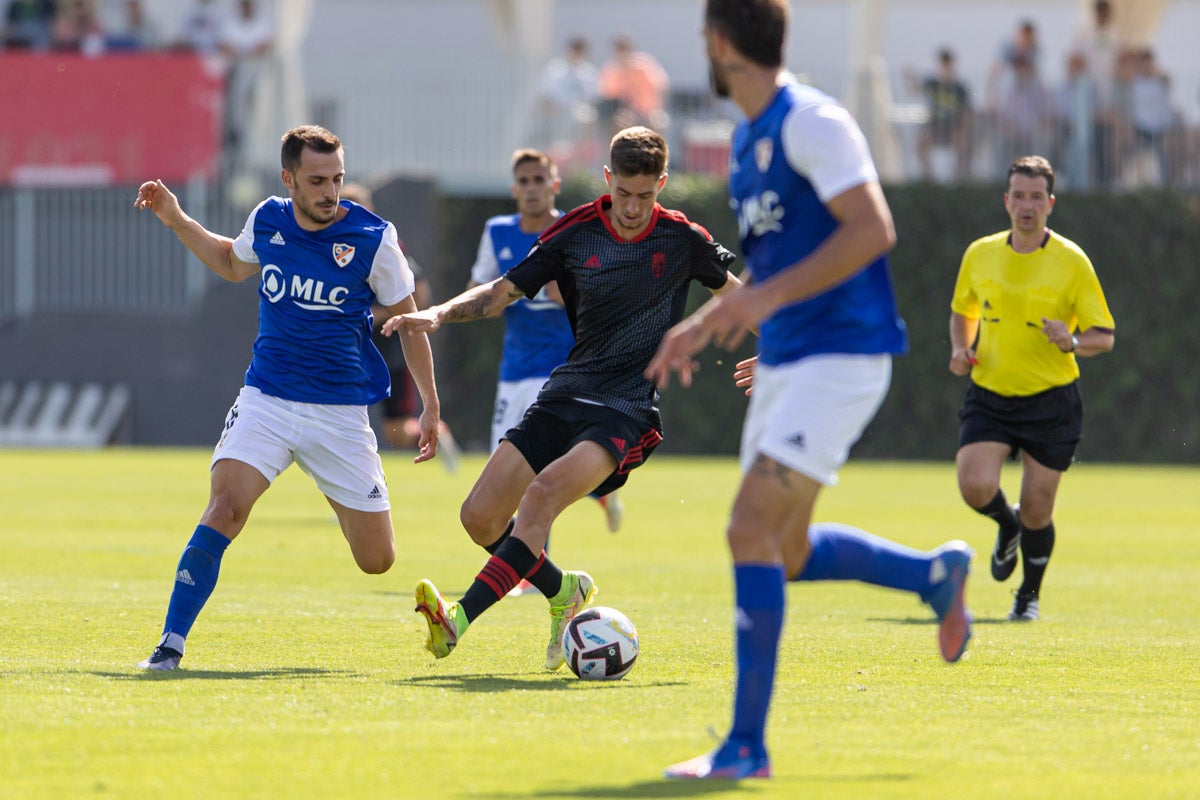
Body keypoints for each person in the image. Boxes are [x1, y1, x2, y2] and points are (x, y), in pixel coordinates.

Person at [648, 0, 974, 781]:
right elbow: (777, 260)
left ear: (722, 44)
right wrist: (712, 319)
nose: (704, 50)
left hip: (841, 355)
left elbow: (871, 228)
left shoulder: (811, 120)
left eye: (703, 39)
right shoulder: (747, 139)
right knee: (783, 550)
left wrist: (756, 304)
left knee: (745, 528)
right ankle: (932, 576)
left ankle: (747, 748)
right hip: (791, 360)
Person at [385, 126, 740, 672]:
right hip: (566, 391)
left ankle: (455, 621)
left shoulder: (681, 238)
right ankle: (563, 590)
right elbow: (501, 292)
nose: (632, 207)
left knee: (542, 496)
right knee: (479, 517)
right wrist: (436, 314)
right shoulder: (577, 231)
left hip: (624, 408)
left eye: (645, 195)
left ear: (662, 184)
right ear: (607, 180)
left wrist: (784, 353)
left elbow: (742, 300)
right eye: (624, 193)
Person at [132, 125, 445, 671]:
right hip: (268, 400)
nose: (331, 192)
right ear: (289, 179)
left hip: (340, 414)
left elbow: (409, 321)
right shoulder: (270, 218)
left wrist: (430, 405)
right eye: (318, 181)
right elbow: (233, 264)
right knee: (225, 508)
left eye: (338, 180)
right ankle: (169, 645)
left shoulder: (374, 238)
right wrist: (177, 219)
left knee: (377, 561)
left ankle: (334, 487)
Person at [949, 155, 1115, 624]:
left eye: (1036, 197)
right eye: (1019, 196)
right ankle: (1007, 525)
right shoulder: (980, 253)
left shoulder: (1072, 261)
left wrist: (1073, 340)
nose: (1027, 205)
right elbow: (963, 309)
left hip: (1051, 399)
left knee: (1040, 509)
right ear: (1006, 201)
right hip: (991, 393)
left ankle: (1029, 595)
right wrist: (961, 348)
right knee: (974, 484)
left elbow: (1104, 336)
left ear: (1050, 203)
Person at [467, 148, 624, 553]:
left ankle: (531, 565)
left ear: (555, 185)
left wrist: (567, 295)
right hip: (513, 370)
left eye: (540, 180)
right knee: (503, 477)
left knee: (535, 475)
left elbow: (605, 300)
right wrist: (503, 291)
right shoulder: (497, 231)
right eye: (525, 181)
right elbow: (477, 292)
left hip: (561, 372)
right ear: (514, 188)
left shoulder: (574, 231)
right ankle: (596, 491)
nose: (533, 188)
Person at [340, 182, 460, 470]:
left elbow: (419, 293)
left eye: (359, 208)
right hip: (349, 347)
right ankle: (349, 492)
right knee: (345, 419)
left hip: (388, 346)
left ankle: (437, 433)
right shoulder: (330, 244)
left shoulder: (385, 245)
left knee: (395, 430)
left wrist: (377, 314)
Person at [534, 35, 601, 174]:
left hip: (580, 114)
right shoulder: (556, 70)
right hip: (557, 114)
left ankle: (580, 166)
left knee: (585, 119)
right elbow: (545, 97)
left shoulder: (588, 72)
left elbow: (593, 98)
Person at [914, 47, 973, 183]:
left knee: (964, 142)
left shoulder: (959, 88)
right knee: (920, 142)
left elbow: (967, 113)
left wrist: (964, 130)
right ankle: (928, 177)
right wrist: (910, 77)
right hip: (935, 128)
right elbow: (915, 89)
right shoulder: (933, 84)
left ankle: (958, 178)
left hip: (953, 129)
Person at [597, 35, 670, 136]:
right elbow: (608, 93)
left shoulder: (644, 65)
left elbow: (661, 84)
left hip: (650, 110)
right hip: (626, 111)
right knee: (622, 123)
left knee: (658, 124)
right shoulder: (612, 70)